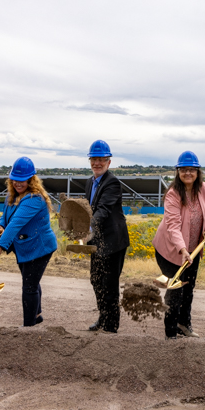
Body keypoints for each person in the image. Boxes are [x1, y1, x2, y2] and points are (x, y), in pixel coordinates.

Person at [152, 151, 205, 340]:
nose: (188, 173)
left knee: (188, 289)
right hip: (170, 250)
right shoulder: (173, 194)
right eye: (183, 169)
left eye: (192, 169)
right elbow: (173, 226)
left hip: (194, 249)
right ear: (178, 171)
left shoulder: (203, 188)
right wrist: (182, 250)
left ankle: (184, 324)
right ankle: (170, 332)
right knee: (176, 289)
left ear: (197, 171)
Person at [0, 157, 57, 327]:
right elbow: (6, 217)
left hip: (40, 247)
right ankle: (37, 315)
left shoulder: (35, 199)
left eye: (22, 180)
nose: (18, 183)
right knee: (31, 281)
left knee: (29, 286)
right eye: (15, 179)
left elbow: (16, 223)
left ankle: (28, 326)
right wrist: (0, 226)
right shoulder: (12, 195)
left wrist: (0, 245)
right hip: (25, 246)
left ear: (31, 179)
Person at [84, 140, 129, 334]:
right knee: (96, 280)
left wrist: (88, 228)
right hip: (97, 241)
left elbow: (102, 210)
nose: (97, 163)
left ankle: (111, 326)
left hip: (113, 241)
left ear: (108, 162)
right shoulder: (90, 182)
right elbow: (88, 209)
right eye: (94, 159)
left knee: (109, 284)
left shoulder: (112, 183)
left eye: (101, 159)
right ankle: (103, 317)